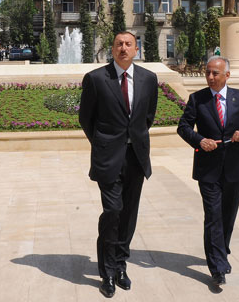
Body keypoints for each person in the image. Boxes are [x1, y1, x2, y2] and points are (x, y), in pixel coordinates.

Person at [79, 31, 158, 298]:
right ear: (111, 49)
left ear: (136, 49)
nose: (123, 48)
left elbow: (147, 117)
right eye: (118, 44)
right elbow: (85, 119)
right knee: (112, 211)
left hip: (136, 156)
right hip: (108, 157)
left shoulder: (149, 79)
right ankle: (107, 272)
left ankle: (121, 265)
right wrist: (104, 142)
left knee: (128, 215)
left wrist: (131, 139)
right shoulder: (96, 79)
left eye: (128, 44)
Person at [177, 56, 239, 286]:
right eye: (207, 72)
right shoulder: (197, 99)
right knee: (213, 216)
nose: (209, 77)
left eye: (215, 73)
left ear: (227, 75)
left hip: (236, 167)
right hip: (208, 168)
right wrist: (199, 140)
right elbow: (183, 127)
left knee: (228, 215)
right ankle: (217, 267)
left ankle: (221, 250)